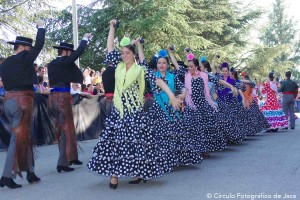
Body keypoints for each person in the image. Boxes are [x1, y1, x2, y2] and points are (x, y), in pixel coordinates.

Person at [87, 19, 181, 189]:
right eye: (122, 53)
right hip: (118, 111)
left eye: (127, 53)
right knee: (114, 142)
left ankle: (137, 171)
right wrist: (111, 28)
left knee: (136, 143)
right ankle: (114, 175)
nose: (124, 55)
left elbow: (158, 81)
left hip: (135, 112)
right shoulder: (118, 66)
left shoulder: (141, 70)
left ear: (133, 55)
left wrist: (172, 96)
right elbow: (109, 47)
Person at [0, 19, 45, 189]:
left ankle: (30, 172)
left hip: (9, 102)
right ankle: (6, 176)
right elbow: (40, 44)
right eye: (29, 48)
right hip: (22, 102)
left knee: (24, 138)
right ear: (25, 48)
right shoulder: (25, 58)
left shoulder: (5, 64)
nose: (31, 51)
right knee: (17, 139)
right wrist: (41, 27)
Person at [48, 33, 92, 173]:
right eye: (70, 53)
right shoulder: (64, 62)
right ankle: (63, 163)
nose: (72, 55)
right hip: (62, 99)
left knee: (65, 129)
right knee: (65, 131)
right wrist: (85, 39)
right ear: (66, 52)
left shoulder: (52, 64)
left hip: (53, 98)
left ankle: (71, 157)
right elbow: (78, 53)